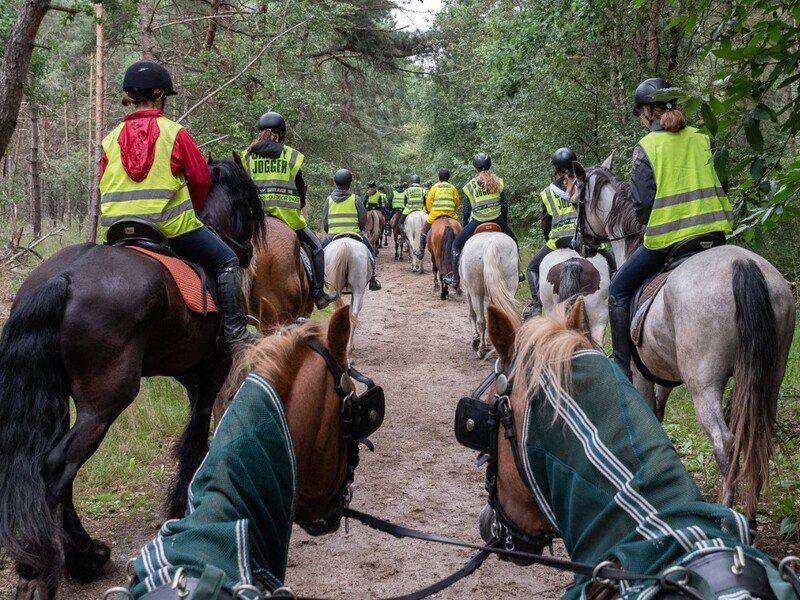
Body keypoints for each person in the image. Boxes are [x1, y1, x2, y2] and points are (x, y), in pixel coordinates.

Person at [99, 61, 254, 350]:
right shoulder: (174, 133)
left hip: (117, 230)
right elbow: (200, 179)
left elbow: (104, 181)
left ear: (131, 96)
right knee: (227, 261)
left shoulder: (110, 139)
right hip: (167, 228)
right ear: (159, 94)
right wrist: (190, 210)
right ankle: (236, 332)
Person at [608, 77, 733, 380]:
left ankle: (621, 368)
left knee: (618, 290)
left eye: (640, 114)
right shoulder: (703, 137)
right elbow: (724, 183)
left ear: (648, 112)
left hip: (669, 242)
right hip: (715, 237)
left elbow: (642, 205)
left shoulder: (646, 147)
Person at [241, 111, 338, 310]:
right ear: (282, 133)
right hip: (288, 220)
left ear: (260, 132)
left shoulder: (247, 155)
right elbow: (301, 192)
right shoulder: (292, 156)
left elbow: (241, 188)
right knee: (317, 248)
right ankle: (319, 294)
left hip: (253, 223)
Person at [521, 148, 617, 320]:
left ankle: (536, 304)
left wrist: (549, 240)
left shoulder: (548, 192)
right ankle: (615, 300)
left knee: (532, 267)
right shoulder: (584, 183)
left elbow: (546, 224)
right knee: (614, 266)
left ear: (555, 169)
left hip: (559, 241)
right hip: (585, 238)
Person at [443, 152, 518, 288]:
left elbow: (466, 211)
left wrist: (466, 224)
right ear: (489, 166)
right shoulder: (498, 182)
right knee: (514, 242)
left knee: (456, 245)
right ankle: (518, 273)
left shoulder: (470, 186)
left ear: (475, 168)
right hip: (497, 220)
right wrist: (503, 222)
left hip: (477, 221)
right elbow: (505, 206)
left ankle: (454, 277)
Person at [321, 168, 382, 291]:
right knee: (370, 251)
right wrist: (360, 228)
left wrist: (330, 231)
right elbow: (362, 219)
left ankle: (317, 283)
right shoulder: (355, 198)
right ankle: (373, 279)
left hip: (333, 235)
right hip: (353, 234)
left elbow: (325, 222)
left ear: (335, 182)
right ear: (349, 183)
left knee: (318, 253)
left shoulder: (329, 199)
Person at [414, 168, 460, 259]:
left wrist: (431, 211)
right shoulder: (452, 187)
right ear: (448, 177)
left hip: (435, 214)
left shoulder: (434, 187)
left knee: (424, 231)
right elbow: (457, 201)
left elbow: (429, 201)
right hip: (451, 214)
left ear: (439, 177)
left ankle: (421, 251)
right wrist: (453, 211)